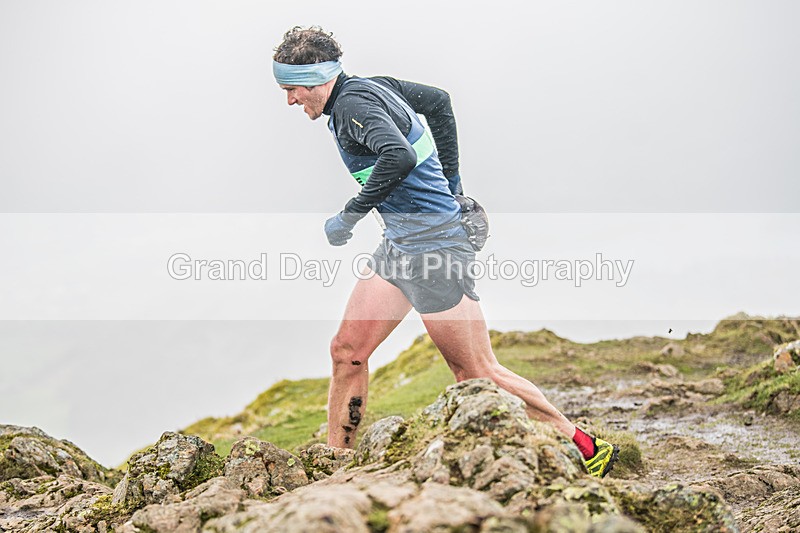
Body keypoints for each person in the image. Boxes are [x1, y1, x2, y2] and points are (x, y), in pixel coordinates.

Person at [272, 26, 619, 478]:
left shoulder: (355, 104)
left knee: (476, 374)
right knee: (347, 350)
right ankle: (337, 465)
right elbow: (439, 101)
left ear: (317, 78)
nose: (290, 101)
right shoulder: (373, 88)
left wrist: (349, 216)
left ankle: (584, 447)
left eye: (292, 89)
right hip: (401, 244)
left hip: (434, 249)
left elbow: (398, 156)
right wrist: (452, 184)